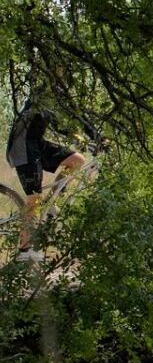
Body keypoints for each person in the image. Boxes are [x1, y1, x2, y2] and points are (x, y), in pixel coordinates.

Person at [4, 93, 87, 251]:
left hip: (38, 144)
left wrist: (84, 136)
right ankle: (24, 248)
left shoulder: (55, 95)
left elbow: (58, 124)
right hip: (23, 149)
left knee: (78, 160)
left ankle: (50, 202)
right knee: (33, 199)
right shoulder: (41, 93)